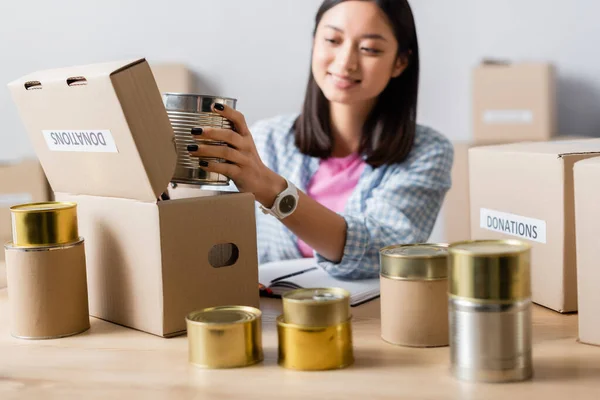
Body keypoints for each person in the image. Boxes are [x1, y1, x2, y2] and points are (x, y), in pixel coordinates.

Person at [187, 0, 453, 279]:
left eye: (369, 49)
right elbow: (209, 239)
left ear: (400, 62)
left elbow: (386, 250)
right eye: (332, 40)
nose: (345, 62)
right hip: (268, 315)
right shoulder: (267, 140)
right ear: (315, 42)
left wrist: (273, 190)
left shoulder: (427, 151)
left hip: (370, 317)